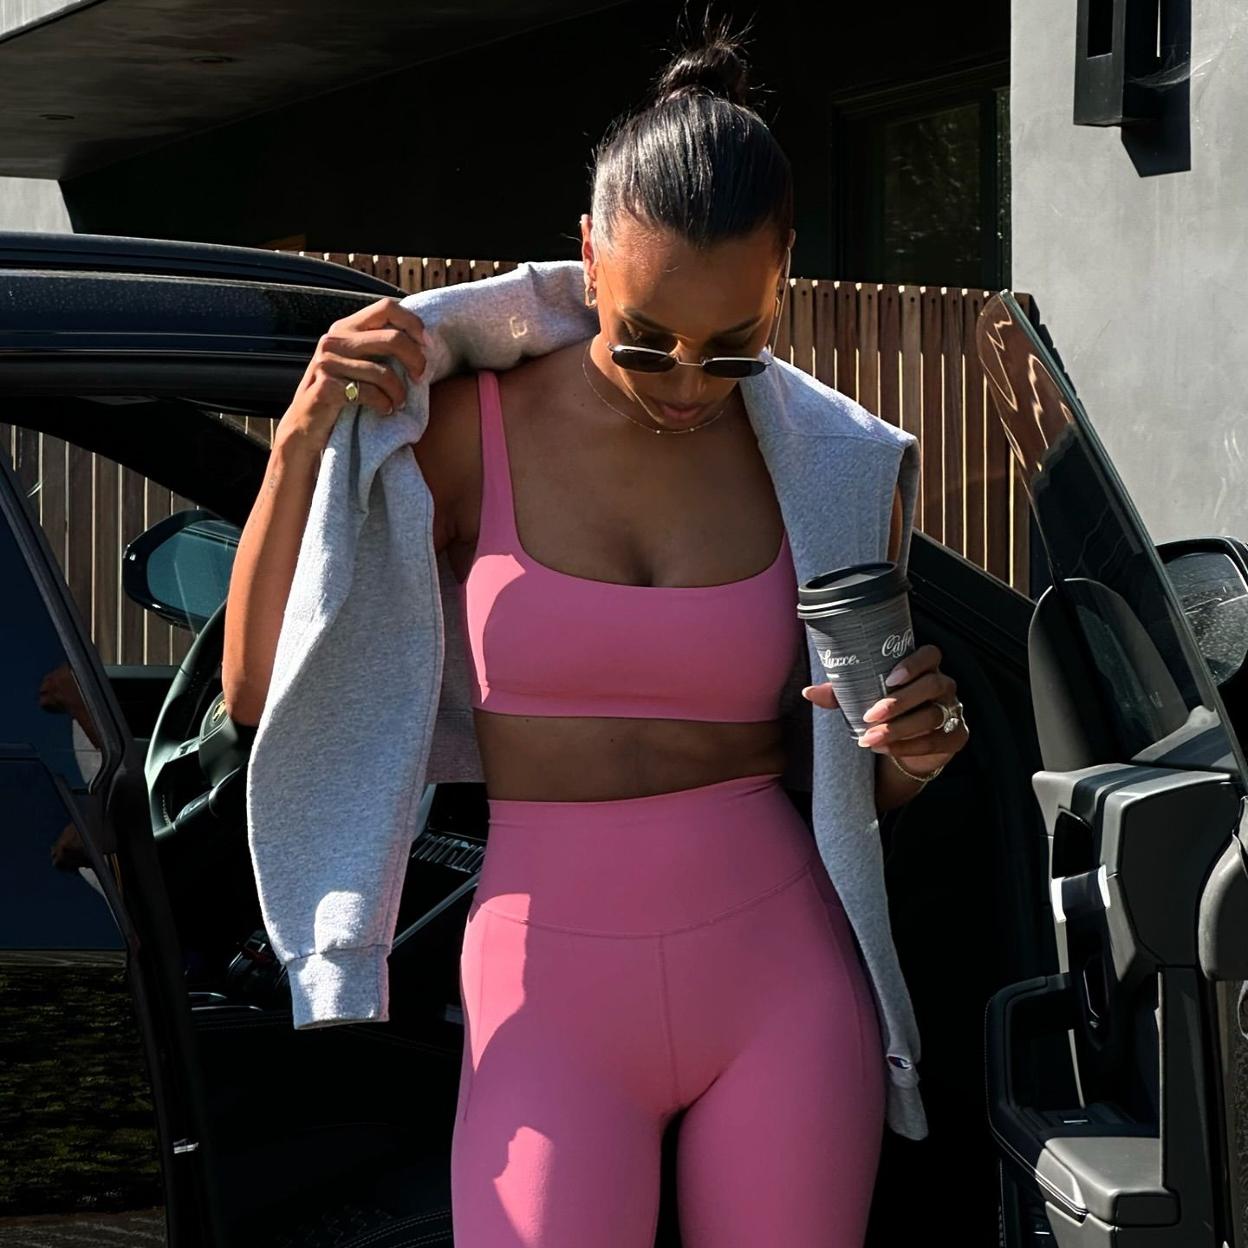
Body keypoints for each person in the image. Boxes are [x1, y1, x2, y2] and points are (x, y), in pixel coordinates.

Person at [224, 16, 969, 1247]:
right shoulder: (468, 432)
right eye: (645, 341)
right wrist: (305, 434)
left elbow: (850, 782)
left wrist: (914, 756)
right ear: (585, 255)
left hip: (780, 977)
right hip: (545, 987)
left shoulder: (836, 473)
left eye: (736, 347)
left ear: (787, 266)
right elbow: (265, 696)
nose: (685, 384)